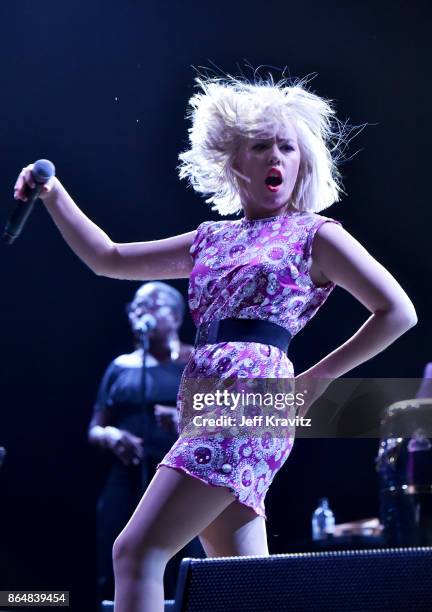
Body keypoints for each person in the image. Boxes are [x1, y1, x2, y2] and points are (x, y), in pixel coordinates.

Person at [14, 74, 417, 612]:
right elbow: (107, 258)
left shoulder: (315, 234)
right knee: (244, 585)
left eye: (287, 146)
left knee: (136, 553)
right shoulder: (212, 238)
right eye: (260, 145)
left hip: (251, 401)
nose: (276, 156)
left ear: (301, 164)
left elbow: (398, 312)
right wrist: (53, 195)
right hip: (203, 399)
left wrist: (314, 381)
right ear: (234, 162)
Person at [88, 281, 204, 603]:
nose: (141, 312)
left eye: (151, 305)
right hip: (127, 476)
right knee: (117, 555)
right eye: (136, 306)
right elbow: (95, 427)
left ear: (176, 316)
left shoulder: (194, 363)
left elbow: (220, 422)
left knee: (183, 559)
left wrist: (182, 419)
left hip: (182, 477)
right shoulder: (121, 366)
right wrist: (112, 437)